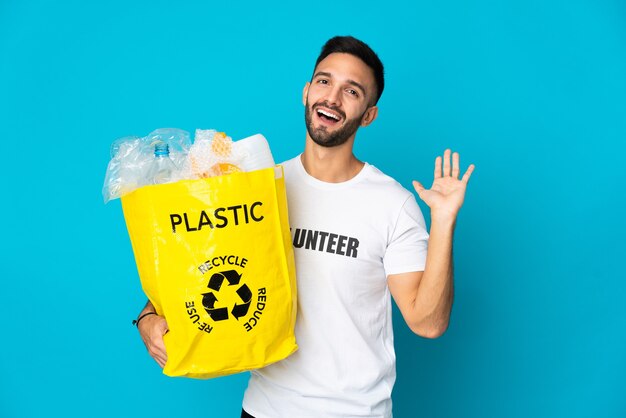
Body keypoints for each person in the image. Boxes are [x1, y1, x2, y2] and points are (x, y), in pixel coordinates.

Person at [135, 35, 474, 418]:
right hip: (264, 409)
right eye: (325, 81)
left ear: (368, 115)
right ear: (307, 91)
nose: (332, 97)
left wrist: (443, 222)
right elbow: (202, 267)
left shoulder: (392, 204)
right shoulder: (259, 189)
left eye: (352, 91)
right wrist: (148, 316)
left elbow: (427, 322)